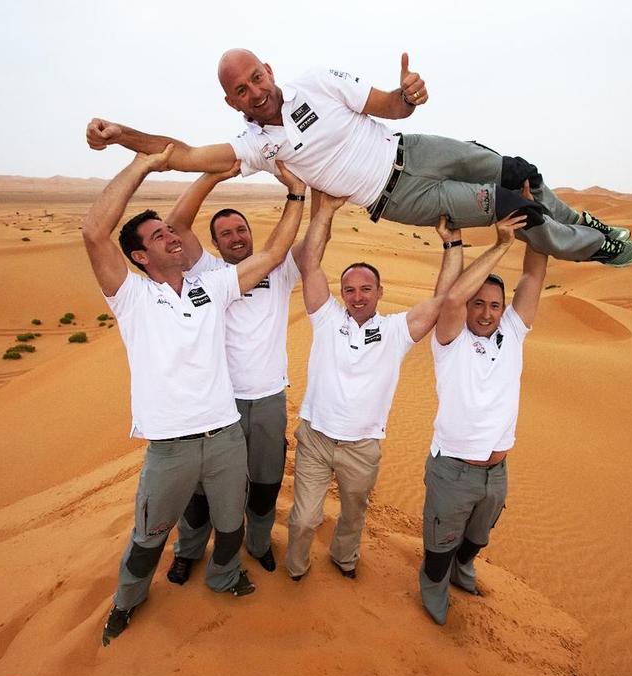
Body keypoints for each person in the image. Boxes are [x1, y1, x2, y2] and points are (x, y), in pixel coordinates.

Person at [86, 49, 632, 268]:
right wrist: (121, 134)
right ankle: (595, 248)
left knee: (522, 173)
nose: (253, 91)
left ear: (269, 71)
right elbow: (179, 155)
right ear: (230, 101)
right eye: (240, 89)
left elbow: (391, 108)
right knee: (517, 211)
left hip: (416, 149)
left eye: (256, 77)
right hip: (400, 195)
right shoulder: (256, 146)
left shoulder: (317, 81)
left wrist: (409, 94)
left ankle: (586, 221)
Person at [81, 144, 306, 645]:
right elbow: (94, 232)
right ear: (140, 256)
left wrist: (295, 193)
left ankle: (225, 575)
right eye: (158, 235)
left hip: (225, 435)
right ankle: (127, 599)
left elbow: (270, 255)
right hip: (172, 445)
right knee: (150, 533)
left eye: (168, 230)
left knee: (230, 523)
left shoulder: (212, 287)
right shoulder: (133, 297)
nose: (169, 235)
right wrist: (143, 163)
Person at [285, 190, 529, 580]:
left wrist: (452, 244)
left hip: (362, 445)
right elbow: (311, 265)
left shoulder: (394, 331)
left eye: (366, 289)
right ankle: (296, 570)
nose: (358, 296)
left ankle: (344, 561)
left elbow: (442, 301)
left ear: (380, 293)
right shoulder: (327, 318)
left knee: (353, 514)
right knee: (304, 517)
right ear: (341, 294)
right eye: (350, 289)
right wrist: (326, 210)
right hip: (315, 438)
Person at [158, 167, 315, 583]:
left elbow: (309, 241)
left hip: (267, 400)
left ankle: (259, 544)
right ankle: (189, 550)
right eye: (225, 233)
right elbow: (175, 225)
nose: (235, 237)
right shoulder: (204, 272)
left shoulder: (276, 269)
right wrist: (214, 174)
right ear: (213, 243)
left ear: (250, 232)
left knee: (265, 483)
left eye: (240, 229)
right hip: (217, 406)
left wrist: (310, 198)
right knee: (202, 488)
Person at [418, 201, 547, 626]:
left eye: (495, 305)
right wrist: (500, 243)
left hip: (497, 469)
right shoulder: (449, 339)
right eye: (480, 304)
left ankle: (463, 567)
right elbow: (452, 295)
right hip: (453, 469)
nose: (487, 313)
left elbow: (532, 275)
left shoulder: (512, 332)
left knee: (478, 536)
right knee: (441, 541)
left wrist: (536, 221)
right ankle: (433, 581)